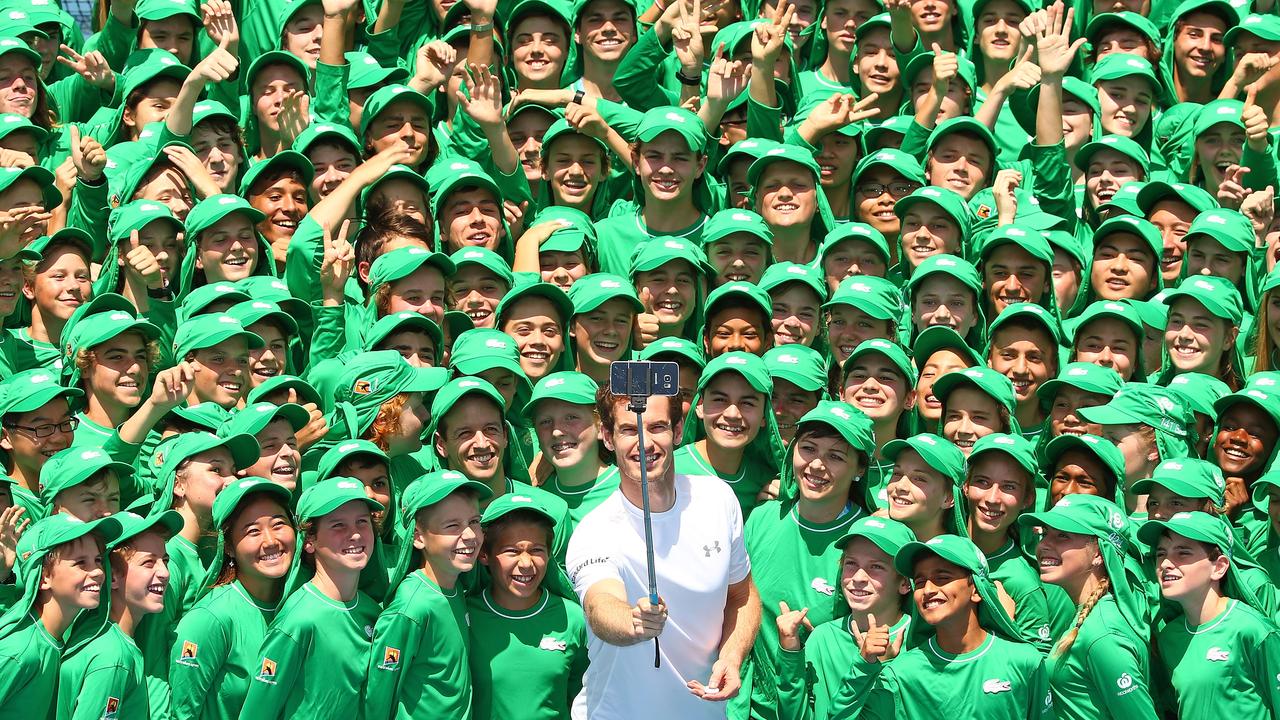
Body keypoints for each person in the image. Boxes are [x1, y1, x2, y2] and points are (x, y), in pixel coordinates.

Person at [566, 387, 760, 719]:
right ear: (607, 438)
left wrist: (731, 656)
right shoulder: (594, 532)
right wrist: (633, 621)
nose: (644, 443)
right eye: (629, 430)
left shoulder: (718, 499)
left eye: (657, 427)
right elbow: (601, 608)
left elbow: (742, 595)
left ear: (679, 430)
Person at [239, 479, 383, 719]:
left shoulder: (371, 610)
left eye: (362, 522)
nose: (355, 534)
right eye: (338, 525)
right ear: (309, 541)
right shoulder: (298, 620)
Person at [365, 470, 491, 720]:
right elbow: (380, 691)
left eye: (474, 522)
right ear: (418, 537)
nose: (469, 535)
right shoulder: (412, 607)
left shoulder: (458, 589)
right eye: (452, 526)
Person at [169, 477, 298, 720]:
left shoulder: (300, 607)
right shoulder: (211, 619)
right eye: (253, 531)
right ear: (228, 546)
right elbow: (181, 713)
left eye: (279, 524)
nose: (270, 541)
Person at [1021, 494, 1159, 719]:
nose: (1044, 544)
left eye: (1062, 536)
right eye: (1045, 534)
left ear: (1098, 553)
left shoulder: (1103, 634)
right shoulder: (1091, 616)